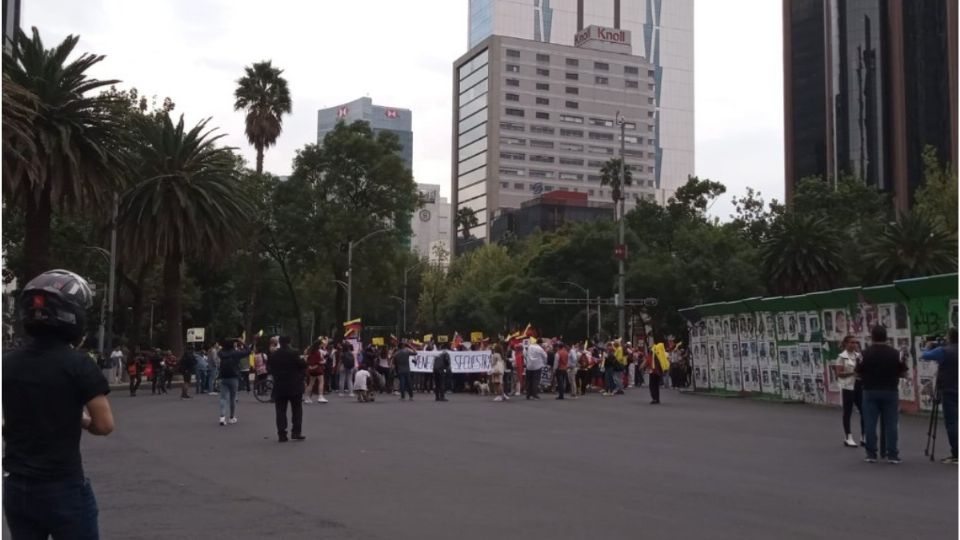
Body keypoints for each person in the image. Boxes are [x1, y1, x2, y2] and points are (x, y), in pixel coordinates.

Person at [3, 269, 115, 539]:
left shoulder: (6, 363)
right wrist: (81, 420)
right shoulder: (78, 364)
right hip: (62, 486)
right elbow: (104, 425)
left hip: (17, 487)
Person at [856, 326, 906, 464]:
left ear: (872, 337)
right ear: (886, 337)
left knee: (870, 424)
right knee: (891, 424)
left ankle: (871, 454)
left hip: (870, 391)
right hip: (890, 391)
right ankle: (892, 455)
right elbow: (903, 372)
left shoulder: (863, 353)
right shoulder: (896, 354)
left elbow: (858, 372)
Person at [921, 328, 958, 464]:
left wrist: (928, 346)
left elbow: (924, 356)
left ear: (949, 337)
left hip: (949, 390)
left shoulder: (944, 351)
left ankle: (956, 453)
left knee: (952, 423)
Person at [269, 336, 307, 442]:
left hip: (280, 385)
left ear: (279, 342)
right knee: (297, 410)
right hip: (294, 385)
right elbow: (303, 365)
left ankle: (282, 434)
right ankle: (296, 432)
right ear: (290, 341)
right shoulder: (294, 353)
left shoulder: (274, 354)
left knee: (280, 410)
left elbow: (270, 368)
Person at [833, 335, 863, 448]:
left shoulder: (859, 356)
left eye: (855, 342)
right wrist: (852, 373)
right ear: (846, 343)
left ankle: (863, 436)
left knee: (863, 410)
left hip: (859, 385)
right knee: (848, 412)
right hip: (847, 386)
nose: (854, 344)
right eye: (851, 342)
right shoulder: (841, 357)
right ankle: (848, 436)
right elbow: (838, 373)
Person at [218, 339, 250, 426]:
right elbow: (248, 351)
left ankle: (222, 417)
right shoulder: (236, 353)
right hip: (234, 376)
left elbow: (220, 350)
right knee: (233, 398)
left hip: (223, 376)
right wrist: (242, 342)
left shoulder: (221, 353)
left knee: (223, 398)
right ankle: (231, 417)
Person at [305, 339, 328, 404]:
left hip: (311, 369)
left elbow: (307, 360)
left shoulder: (310, 351)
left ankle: (307, 397)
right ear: (319, 344)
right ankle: (320, 396)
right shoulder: (318, 352)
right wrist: (323, 362)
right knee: (321, 382)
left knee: (311, 383)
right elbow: (320, 361)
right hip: (317, 368)